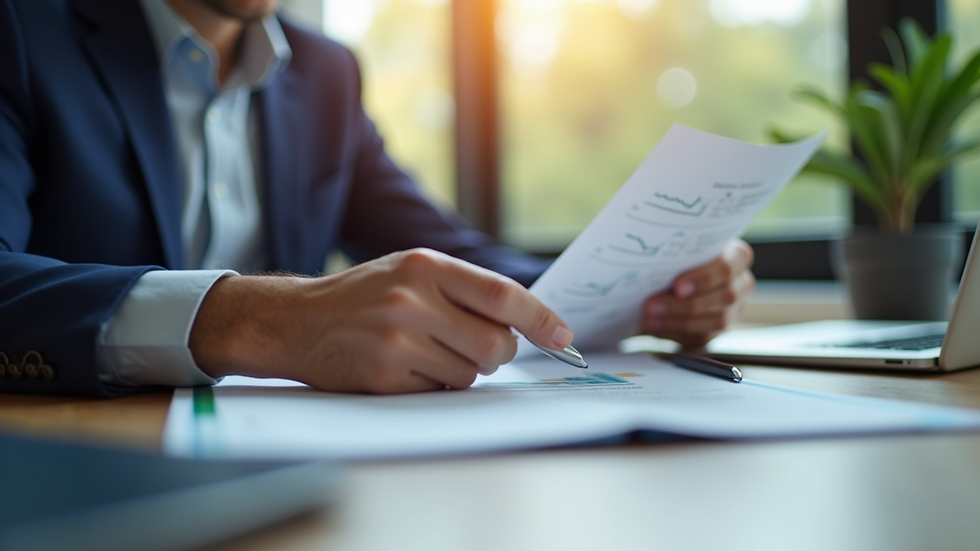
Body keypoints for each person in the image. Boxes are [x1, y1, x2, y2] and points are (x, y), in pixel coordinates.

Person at [0, 0, 756, 397]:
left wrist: (644, 278)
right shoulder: (23, 31)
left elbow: (456, 255)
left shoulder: (326, 75)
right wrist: (266, 321)